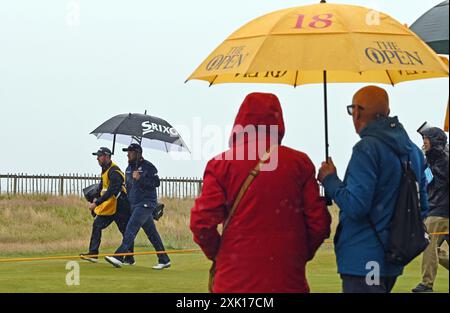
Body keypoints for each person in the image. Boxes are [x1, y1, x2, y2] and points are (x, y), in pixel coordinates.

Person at [190, 92, 331, 293]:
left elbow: (201, 223)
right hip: (288, 281)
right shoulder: (300, 164)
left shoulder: (221, 164)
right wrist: (297, 255)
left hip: (233, 282)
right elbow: (319, 224)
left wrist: (219, 254)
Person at [318, 86, 429, 293]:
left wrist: (330, 180)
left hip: (363, 257)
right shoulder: (413, 151)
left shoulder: (366, 149)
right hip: (394, 258)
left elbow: (356, 206)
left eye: (352, 110)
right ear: (387, 112)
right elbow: (423, 206)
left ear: (358, 112)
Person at [105, 143, 171, 270]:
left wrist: (140, 178)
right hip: (135, 205)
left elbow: (156, 182)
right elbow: (129, 187)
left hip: (146, 204)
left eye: (130, 152)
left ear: (138, 153)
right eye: (127, 152)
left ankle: (119, 256)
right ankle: (164, 259)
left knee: (131, 228)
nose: (127, 154)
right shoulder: (129, 168)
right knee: (152, 234)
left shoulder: (148, 167)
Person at [80, 147, 135, 265]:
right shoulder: (105, 170)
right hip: (110, 207)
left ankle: (130, 258)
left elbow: (112, 191)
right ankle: (93, 253)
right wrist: (95, 197)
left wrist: (96, 203)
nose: (97, 158)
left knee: (126, 231)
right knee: (97, 225)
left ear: (106, 156)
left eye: (99, 156)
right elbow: (102, 186)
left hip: (121, 206)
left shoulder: (114, 171)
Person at [412, 127, 449, 293]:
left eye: (426, 139)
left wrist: (425, 166)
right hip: (439, 211)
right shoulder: (434, 159)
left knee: (428, 245)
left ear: (435, 141)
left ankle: (427, 284)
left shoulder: (444, 160)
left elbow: (434, 182)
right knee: (436, 250)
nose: (424, 142)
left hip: (439, 212)